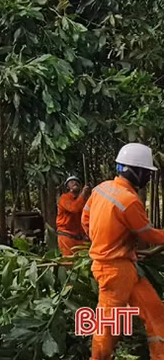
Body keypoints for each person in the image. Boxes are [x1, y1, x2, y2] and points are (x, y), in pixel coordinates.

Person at [82, 143, 164, 359]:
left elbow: (85, 219)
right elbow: (148, 235)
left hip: (126, 268)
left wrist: (104, 241)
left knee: (155, 310)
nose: (147, 178)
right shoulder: (128, 201)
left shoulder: (101, 189)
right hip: (114, 271)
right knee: (107, 324)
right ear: (133, 171)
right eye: (145, 173)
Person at [56, 175, 91, 256]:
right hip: (67, 237)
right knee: (69, 262)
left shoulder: (83, 200)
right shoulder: (64, 198)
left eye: (77, 182)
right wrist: (83, 194)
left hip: (80, 237)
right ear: (68, 187)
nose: (75, 183)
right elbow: (74, 208)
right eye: (71, 182)